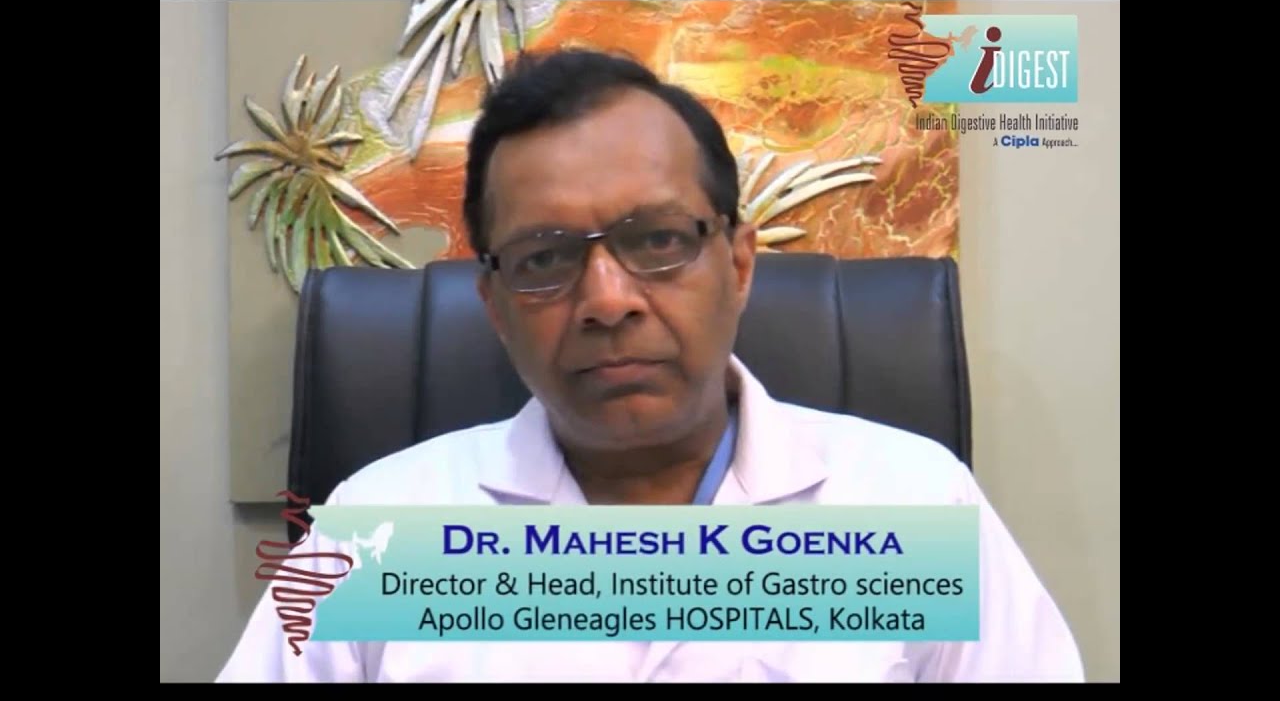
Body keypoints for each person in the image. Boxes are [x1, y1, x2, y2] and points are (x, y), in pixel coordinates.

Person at [216, 48, 1084, 683]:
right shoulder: (374, 531)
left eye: (659, 240)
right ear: (496, 306)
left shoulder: (914, 506)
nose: (608, 299)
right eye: (545, 257)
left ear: (738, 265)